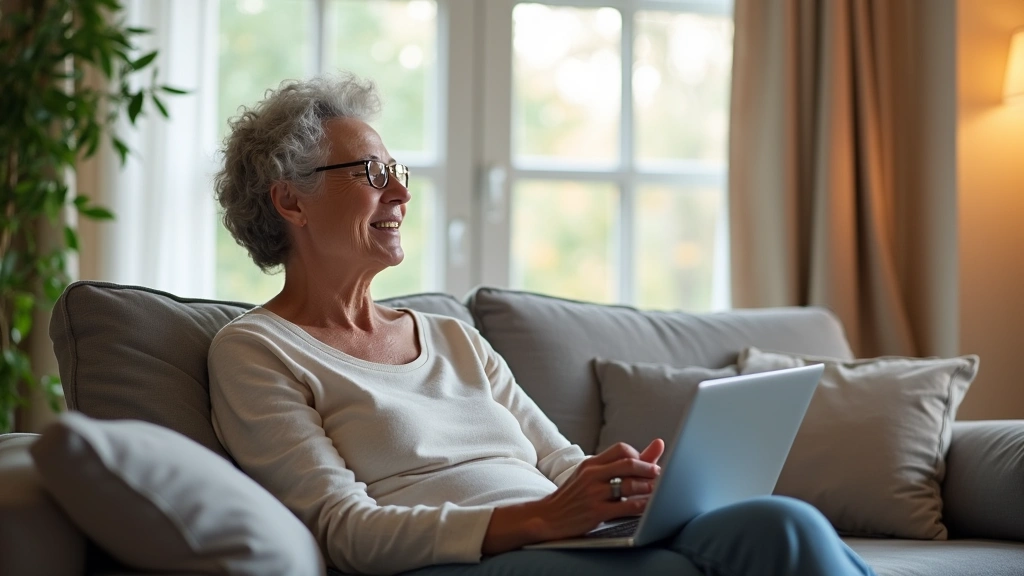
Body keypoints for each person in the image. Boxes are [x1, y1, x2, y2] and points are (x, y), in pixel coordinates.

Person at [208, 73, 876, 576]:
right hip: (471, 562)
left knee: (781, 524)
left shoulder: (450, 337)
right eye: (373, 173)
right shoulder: (258, 351)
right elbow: (344, 531)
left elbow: (560, 465)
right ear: (290, 199)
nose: (402, 194)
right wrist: (542, 518)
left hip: (562, 538)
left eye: (399, 172)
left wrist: (617, 485)